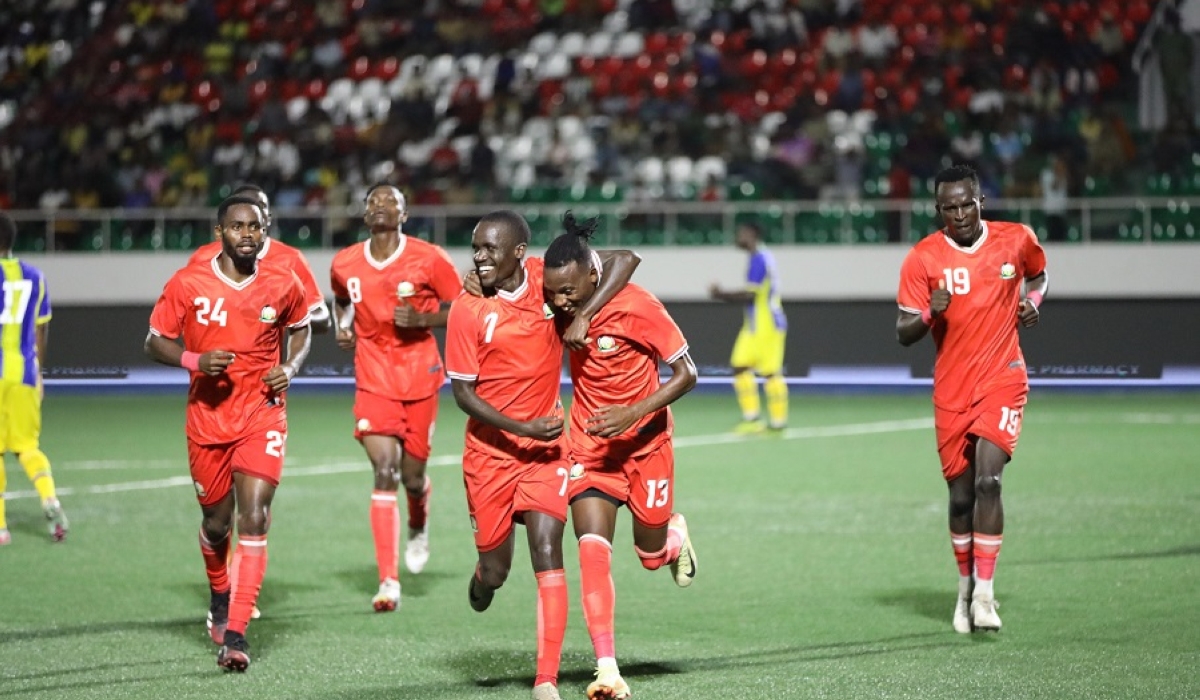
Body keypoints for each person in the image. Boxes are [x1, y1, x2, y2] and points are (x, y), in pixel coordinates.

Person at [445, 210, 639, 700]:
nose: (479, 257)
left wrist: (588, 313)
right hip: (489, 453)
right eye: (476, 248)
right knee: (497, 570)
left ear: (518, 253)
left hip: (548, 449)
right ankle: (482, 580)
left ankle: (545, 681)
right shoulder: (467, 309)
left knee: (549, 550)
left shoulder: (544, 279)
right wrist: (520, 427)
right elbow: (463, 395)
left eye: (490, 249)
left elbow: (623, 259)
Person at [145, 195, 312, 670]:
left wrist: (291, 366)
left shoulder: (283, 281)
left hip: (262, 414)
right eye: (237, 226)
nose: (247, 234)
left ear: (265, 232)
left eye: (255, 227)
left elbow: (301, 328)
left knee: (254, 517)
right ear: (220, 231)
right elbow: (154, 339)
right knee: (217, 525)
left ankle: (236, 633)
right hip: (208, 420)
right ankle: (220, 594)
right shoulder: (189, 282)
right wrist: (195, 361)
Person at [542, 213, 698, 700]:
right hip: (590, 447)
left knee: (650, 558)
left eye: (569, 292)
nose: (560, 302)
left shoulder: (639, 306)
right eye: (553, 294)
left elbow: (687, 373)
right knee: (591, 549)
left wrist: (632, 412)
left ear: (593, 275)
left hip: (647, 445)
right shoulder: (560, 295)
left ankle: (673, 535)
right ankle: (607, 669)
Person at [895, 164, 1048, 634]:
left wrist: (1032, 304)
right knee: (960, 499)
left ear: (982, 201)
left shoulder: (1016, 240)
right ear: (938, 209)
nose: (959, 213)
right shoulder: (923, 258)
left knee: (988, 483)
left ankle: (985, 594)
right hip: (952, 389)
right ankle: (964, 589)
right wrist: (928, 312)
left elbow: (1038, 279)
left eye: (967, 203)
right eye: (949, 207)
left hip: (1003, 379)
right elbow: (903, 333)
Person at [329, 184, 462, 612]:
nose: (381, 206)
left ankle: (418, 519)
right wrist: (343, 325)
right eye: (373, 202)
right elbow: (340, 300)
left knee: (411, 475)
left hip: (420, 376)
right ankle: (389, 582)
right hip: (373, 378)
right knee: (384, 469)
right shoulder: (345, 262)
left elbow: (464, 309)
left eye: (391, 202)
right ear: (365, 215)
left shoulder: (429, 257)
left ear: (405, 214)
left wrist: (424, 317)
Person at [0, 212, 68, 546]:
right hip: (25, 373)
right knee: (28, 447)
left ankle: (0, 527)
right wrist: (38, 372)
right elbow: (41, 331)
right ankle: (49, 499)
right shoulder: (35, 277)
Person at [188, 184, 331, 335]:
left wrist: (279, 315)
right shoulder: (203, 257)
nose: (252, 211)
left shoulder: (291, 260)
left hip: (266, 358)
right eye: (246, 205)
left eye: (260, 206)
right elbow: (184, 316)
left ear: (268, 218)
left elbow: (322, 318)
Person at [708, 221, 788, 433]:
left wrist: (720, 294)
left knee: (771, 373)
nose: (738, 237)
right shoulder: (758, 257)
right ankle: (752, 419)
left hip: (767, 324)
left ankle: (778, 422)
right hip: (755, 325)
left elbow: (750, 294)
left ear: (752, 235)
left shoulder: (760, 259)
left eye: (741, 234)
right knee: (740, 366)